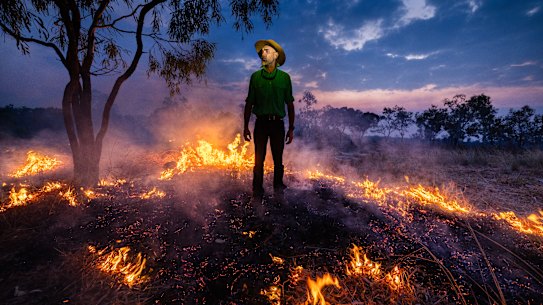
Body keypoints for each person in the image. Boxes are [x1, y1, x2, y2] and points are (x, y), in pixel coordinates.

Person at [243, 39, 295, 197]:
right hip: (261, 124)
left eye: (266, 51)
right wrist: (245, 126)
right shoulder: (255, 77)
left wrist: (291, 129)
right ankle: (257, 188)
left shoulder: (285, 78)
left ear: (276, 55)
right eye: (261, 52)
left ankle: (278, 186)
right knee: (259, 158)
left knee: (278, 158)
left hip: (278, 124)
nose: (262, 54)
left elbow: (290, 104)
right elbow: (249, 103)